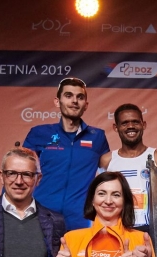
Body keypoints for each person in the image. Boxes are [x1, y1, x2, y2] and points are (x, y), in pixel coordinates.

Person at [24, 77, 110, 231]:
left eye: (80, 97)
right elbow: (19, 172)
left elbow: (110, 172)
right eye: (68, 96)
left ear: (86, 105)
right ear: (57, 102)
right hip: (41, 217)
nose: (74, 101)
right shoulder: (39, 133)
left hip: (81, 221)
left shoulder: (97, 136)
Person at [100, 103, 157, 227]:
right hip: (117, 229)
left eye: (135, 122)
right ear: (116, 127)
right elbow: (100, 197)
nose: (131, 126)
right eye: (125, 123)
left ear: (144, 125)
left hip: (150, 230)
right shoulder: (107, 160)